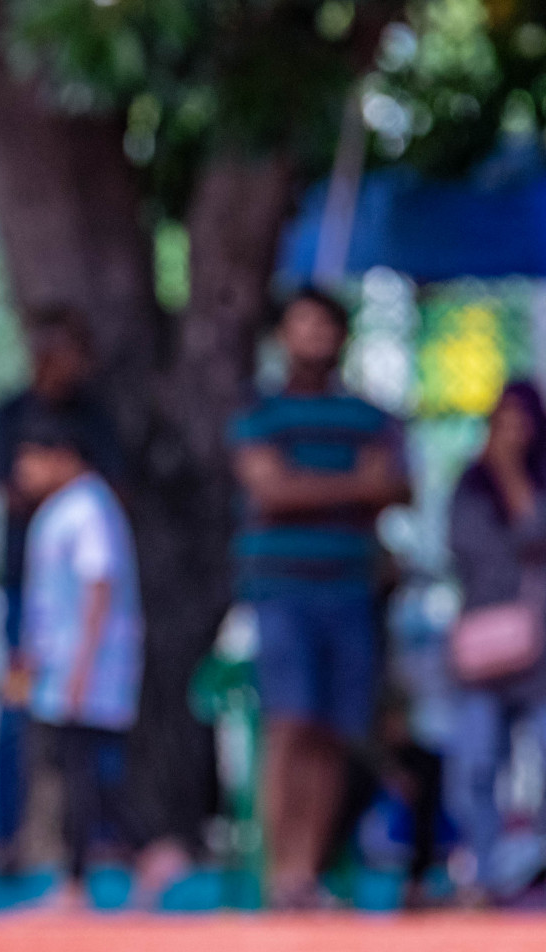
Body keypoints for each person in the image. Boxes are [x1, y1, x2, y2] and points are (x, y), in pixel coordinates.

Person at [231, 288, 409, 908]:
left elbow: (396, 486)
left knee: (335, 729)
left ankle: (306, 873)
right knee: (292, 723)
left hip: (350, 591)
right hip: (282, 593)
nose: (312, 336)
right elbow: (270, 492)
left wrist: (306, 483)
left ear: (342, 335)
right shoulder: (260, 412)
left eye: (324, 325)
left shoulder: (369, 414)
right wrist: (353, 483)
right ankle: (282, 872)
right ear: (282, 335)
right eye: (300, 324)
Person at [0, 307, 120, 871]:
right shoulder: (10, 414)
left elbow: (113, 493)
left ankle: (103, 842)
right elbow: (7, 492)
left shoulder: (97, 420)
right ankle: (8, 836)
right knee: (18, 714)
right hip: (27, 600)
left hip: (81, 608)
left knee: (88, 718)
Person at [7, 416, 143, 907]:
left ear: (62, 455)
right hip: (62, 665)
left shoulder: (88, 508)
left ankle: (91, 876)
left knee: (84, 771)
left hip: (86, 667)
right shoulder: (63, 508)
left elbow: (98, 584)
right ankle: (125, 864)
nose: (21, 470)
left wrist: (82, 667)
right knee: (74, 769)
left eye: (30, 458)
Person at [446, 380, 546, 906]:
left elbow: (536, 532)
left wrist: (512, 473)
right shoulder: (468, 484)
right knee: (478, 762)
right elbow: (466, 549)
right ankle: (482, 872)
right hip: (485, 650)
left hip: (542, 650)